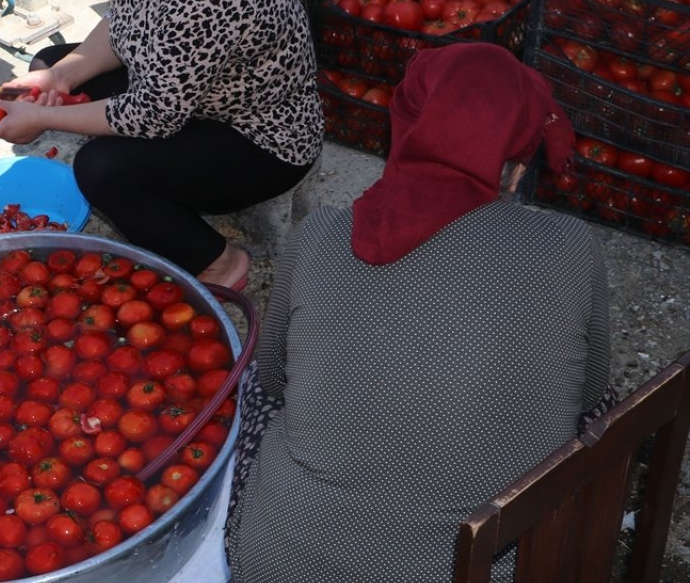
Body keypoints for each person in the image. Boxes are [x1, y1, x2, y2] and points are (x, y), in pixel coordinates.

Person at [225, 43, 612, 582]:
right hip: (490, 568)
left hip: (282, 565)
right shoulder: (570, 245)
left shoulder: (321, 235)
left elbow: (272, 377)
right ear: (520, 167)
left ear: (403, 133)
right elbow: (592, 397)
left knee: (260, 390)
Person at [0, 0, 323, 290]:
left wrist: (42, 118)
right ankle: (145, 174)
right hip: (194, 98)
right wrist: (58, 78)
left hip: (259, 138)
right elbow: (124, 20)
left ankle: (220, 262)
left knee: (99, 169)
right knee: (48, 63)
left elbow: (153, 114)